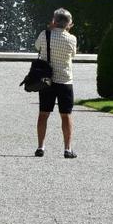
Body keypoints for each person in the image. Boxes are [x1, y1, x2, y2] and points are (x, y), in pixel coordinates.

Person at [33, 8, 78, 159]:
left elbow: (37, 47)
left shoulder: (44, 34)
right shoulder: (71, 39)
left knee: (43, 114)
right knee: (66, 115)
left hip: (47, 80)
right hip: (64, 80)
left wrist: (50, 29)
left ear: (54, 20)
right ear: (69, 23)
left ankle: (40, 146)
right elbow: (73, 54)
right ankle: (67, 149)